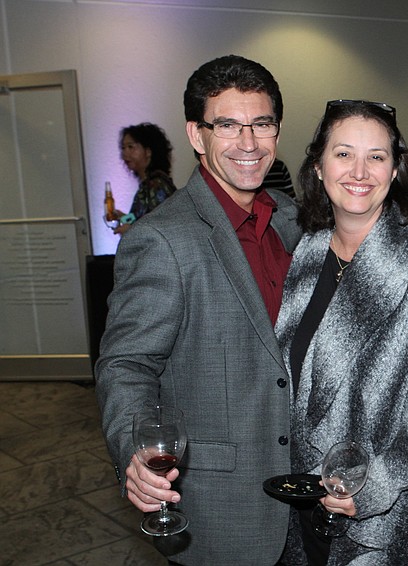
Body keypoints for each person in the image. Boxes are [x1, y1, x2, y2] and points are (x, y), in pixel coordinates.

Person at [96, 55, 302, 565]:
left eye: (262, 123)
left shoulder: (294, 221)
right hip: (225, 507)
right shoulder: (161, 239)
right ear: (196, 134)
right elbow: (127, 365)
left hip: (310, 498)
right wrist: (135, 451)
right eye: (228, 125)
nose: (249, 143)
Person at [274, 99, 408, 565]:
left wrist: (378, 482)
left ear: (394, 172)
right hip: (311, 494)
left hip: (400, 501)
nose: (360, 171)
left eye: (377, 156)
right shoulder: (307, 254)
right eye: (344, 153)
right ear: (319, 165)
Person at [113, 122, 177, 234]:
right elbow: (143, 220)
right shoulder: (147, 184)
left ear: (148, 152)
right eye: (123, 148)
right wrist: (124, 217)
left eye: (130, 147)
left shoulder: (157, 185)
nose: (125, 153)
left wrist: (130, 230)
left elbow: (161, 229)